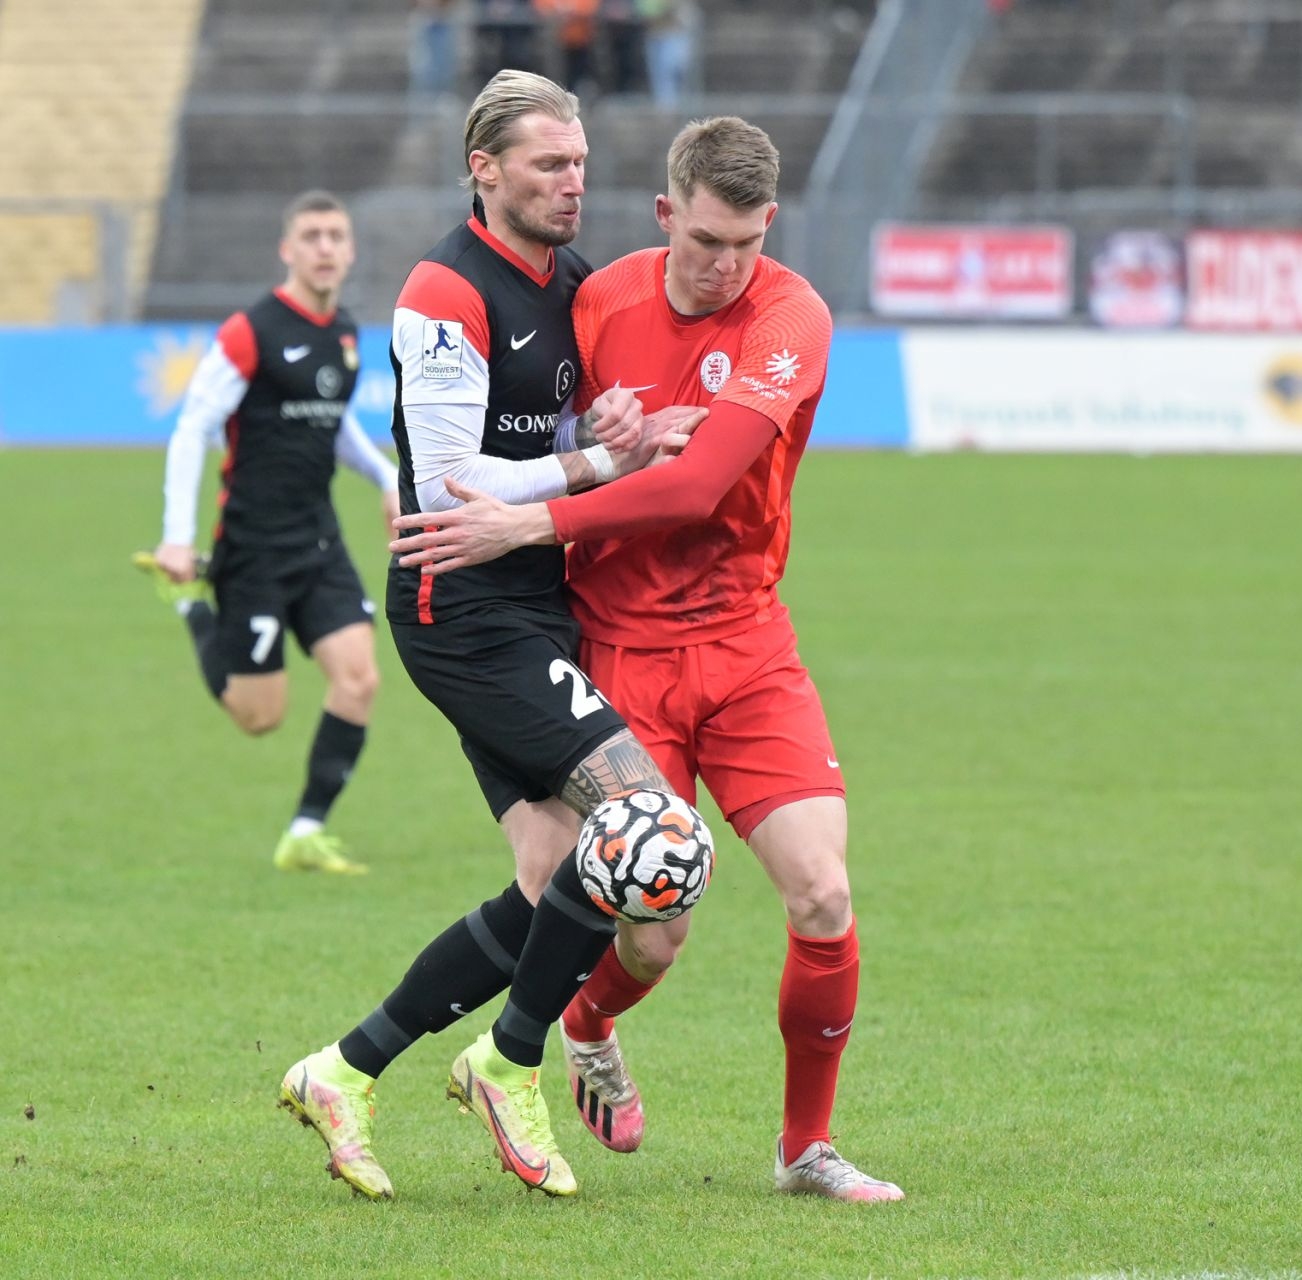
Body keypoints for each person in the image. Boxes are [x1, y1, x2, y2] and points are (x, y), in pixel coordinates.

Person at [388, 116, 904, 1202]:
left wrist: (528, 522)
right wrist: (583, 431)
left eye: (748, 243)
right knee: (655, 931)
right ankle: (586, 1022)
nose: (726, 266)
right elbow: (534, 427)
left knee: (822, 890)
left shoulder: (791, 316)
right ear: (667, 215)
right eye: (706, 240)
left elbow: (698, 484)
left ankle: (805, 1147)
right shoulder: (598, 297)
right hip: (618, 645)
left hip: (747, 640)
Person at [276, 70, 705, 1203]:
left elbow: (555, 425)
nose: (574, 182)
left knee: (557, 872)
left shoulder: (570, 279)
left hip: (536, 599)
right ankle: (511, 1059)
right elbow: (454, 482)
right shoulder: (442, 292)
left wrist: (601, 419)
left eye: (579, 163)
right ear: (485, 169)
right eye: (548, 164)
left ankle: (344, 1069)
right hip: (459, 611)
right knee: (650, 828)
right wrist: (607, 458)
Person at [134, 191, 398, 876]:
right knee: (260, 717)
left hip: (319, 541)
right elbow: (192, 428)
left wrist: (388, 477)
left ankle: (305, 831)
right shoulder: (249, 331)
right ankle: (191, 605)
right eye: (311, 235)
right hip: (252, 549)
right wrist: (175, 536)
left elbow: (332, 423)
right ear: (287, 249)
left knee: (359, 679)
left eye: (335, 235)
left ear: (351, 250)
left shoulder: (345, 333)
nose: (324, 247)